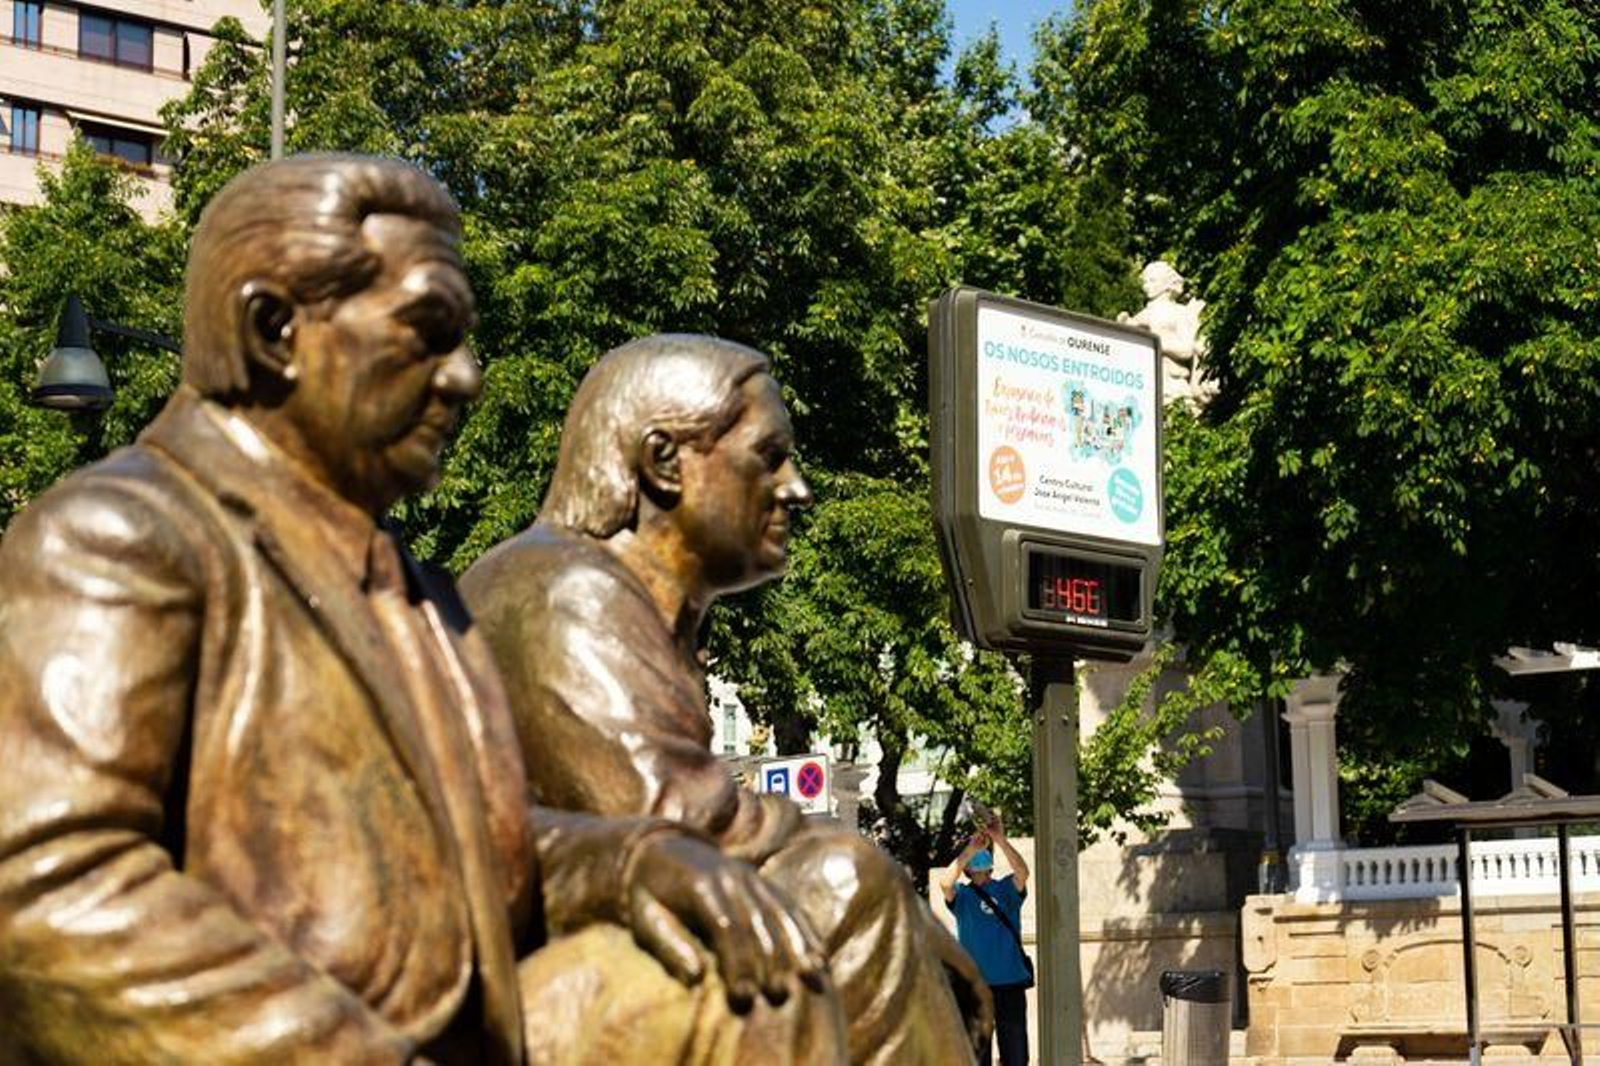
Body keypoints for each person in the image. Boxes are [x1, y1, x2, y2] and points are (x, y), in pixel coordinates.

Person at [0, 156, 844, 1064]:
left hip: (471, 1030)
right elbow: (47, 894)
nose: (466, 379)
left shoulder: (415, 591)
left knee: (757, 975)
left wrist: (629, 861)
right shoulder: (118, 537)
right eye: (429, 332)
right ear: (274, 329)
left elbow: (480, 855)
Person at [460, 333, 992, 1064]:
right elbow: (678, 826)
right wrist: (891, 895)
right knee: (844, 884)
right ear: (664, 463)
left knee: (852, 881)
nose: (796, 489)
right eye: (768, 456)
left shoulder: (624, 604)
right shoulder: (563, 593)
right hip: (539, 999)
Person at [941, 814, 1032, 1066]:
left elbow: (1023, 872)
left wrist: (999, 840)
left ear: (991, 867)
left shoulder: (1006, 889)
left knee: (1015, 1056)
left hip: (1010, 984)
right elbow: (945, 882)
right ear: (967, 869)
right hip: (976, 988)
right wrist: (970, 849)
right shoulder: (963, 896)